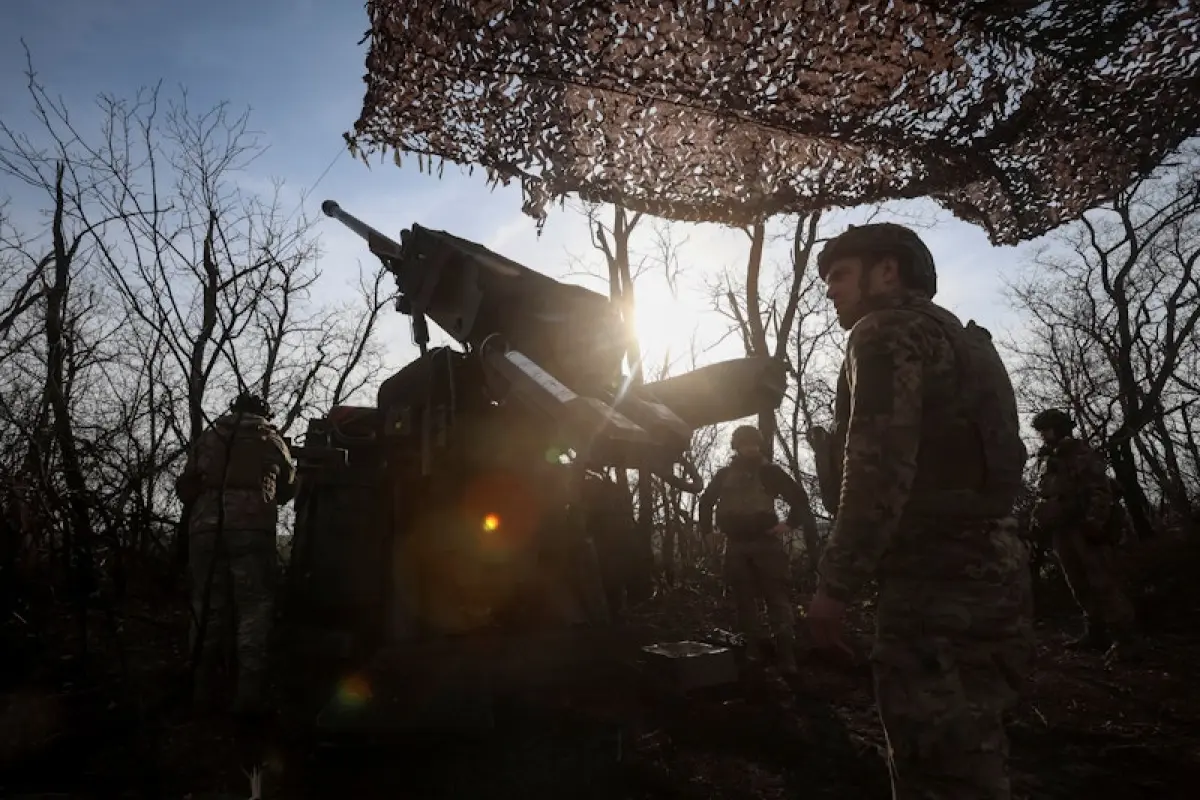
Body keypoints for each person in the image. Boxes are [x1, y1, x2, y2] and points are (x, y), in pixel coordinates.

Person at [805, 223, 1034, 799]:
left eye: (839, 274)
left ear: (887, 270)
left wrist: (835, 587)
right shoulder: (964, 340)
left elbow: (879, 470)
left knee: (935, 769)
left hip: (933, 588)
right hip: (998, 572)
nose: (829, 289)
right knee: (978, 748)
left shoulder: (884, 331)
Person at [175, 391, 296, 716]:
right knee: (253, 609)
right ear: (264, 413)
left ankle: (199, 693)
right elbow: (289, 487)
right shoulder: (270, 439)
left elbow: (185, 486)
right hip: (251, 529)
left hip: (205, 529)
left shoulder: (208, 437)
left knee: (206, 608)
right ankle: (247, 698)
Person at [699, 424, 817, 675]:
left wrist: (788, 524)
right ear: (736, 446)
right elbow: (706, 501)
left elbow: (798, 497)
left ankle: (786, 657)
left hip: (766, 545)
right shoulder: (723, 475)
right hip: (736, 545)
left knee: (777, 600)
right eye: (744, 443)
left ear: (759, 445)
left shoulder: (770, 472)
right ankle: (752, 654)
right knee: (743, 603)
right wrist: (707, 532)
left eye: (753, 443)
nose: (749, 448)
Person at [1030, 408, 1140, 658]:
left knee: (1103, 582)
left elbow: (1100, 490)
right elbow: (1046, 494)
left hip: (1083, 526)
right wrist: (1040, 523)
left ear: (1058, 429)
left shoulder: (1081, 454)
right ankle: (1096, 633)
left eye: (1045, 429)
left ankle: (1125, 640)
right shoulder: (1050, 460)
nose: (1042, 435)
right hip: (1062, 528)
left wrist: (1094, 523)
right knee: (1078, 584)